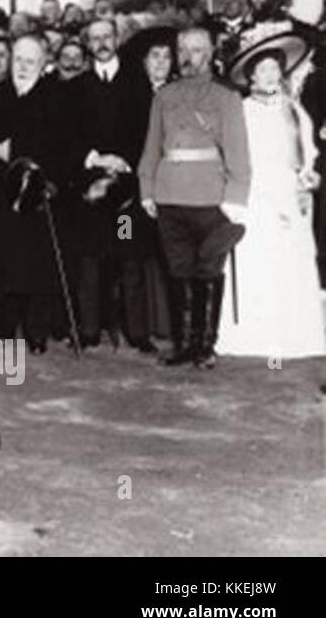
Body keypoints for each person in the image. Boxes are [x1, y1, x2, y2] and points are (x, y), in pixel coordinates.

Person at [138, 27, 251, 369]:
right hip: (170, 194)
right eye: (183, 49)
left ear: (211, 52)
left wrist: (235, 197)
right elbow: (152, 146)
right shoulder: (164, 96)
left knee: (208, 270)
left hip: (209, 196)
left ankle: (206, 346)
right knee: (179, 270)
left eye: (197, 49)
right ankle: (184, 343)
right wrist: (147, 189)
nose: (189, 56)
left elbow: (238, 153)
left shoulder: (226, 97)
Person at [218, 32, 324, 358]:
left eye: (274, 70)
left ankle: (296, 336)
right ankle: (253, 336)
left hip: (290, 194)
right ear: (250, 76)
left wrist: (308, 174)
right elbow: (235, 159)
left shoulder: (293, 109)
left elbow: (307, 150)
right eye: (262, 70)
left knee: (292, 259)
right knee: (259, 260)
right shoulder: (242, 112)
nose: (269, 76)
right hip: (256, 196)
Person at [0, 34, 73, 350]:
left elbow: (63, 145)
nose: (23, 67)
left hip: (35, 193)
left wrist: (17, 148)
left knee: (35, 263)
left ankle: (35, 330)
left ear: (43, 66)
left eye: (31, 61)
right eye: (18, 60)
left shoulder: (57, 96)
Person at [67, 19, 152, 350]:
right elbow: (69, 136)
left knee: (129, 256)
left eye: (107, 37)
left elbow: (147, 130)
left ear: (117, 39)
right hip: (91, 190)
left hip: (126, 192)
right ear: (88, 43)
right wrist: (95, 160)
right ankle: (88, 330)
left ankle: (138, 333)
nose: (101, 43)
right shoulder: (77, 87)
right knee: (89, 258)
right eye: (95, 38)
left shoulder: (136, 82)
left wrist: (123, 163)